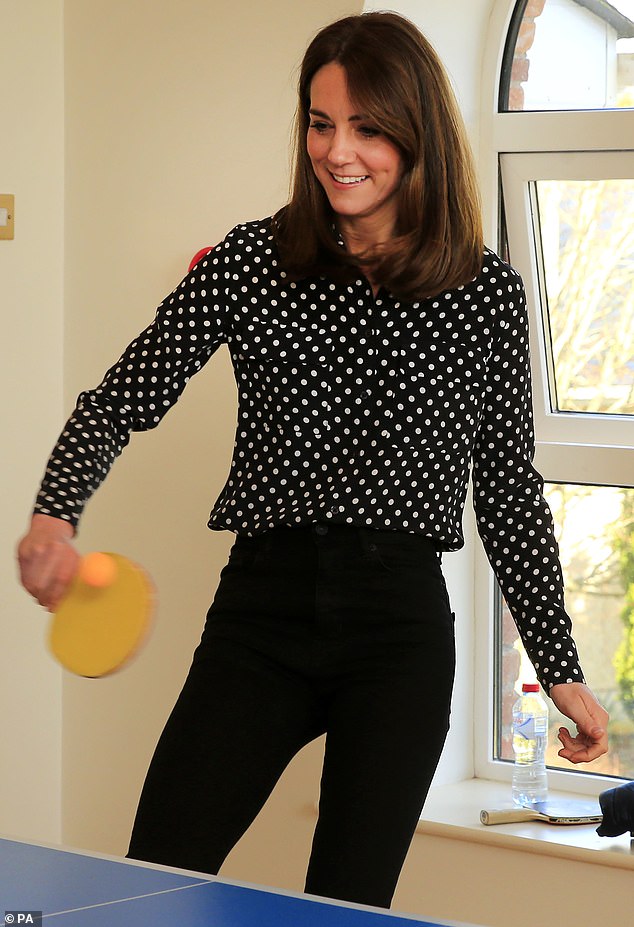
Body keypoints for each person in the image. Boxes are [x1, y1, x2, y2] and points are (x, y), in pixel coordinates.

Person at [17, 11, 608, 911]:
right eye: (321, 121)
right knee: (148, 881)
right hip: (262, 616)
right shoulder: (253, 258)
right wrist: (56, 513)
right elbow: (121, 397)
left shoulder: (484, 292)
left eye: (368, 128)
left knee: (346, 905)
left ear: (416, 137)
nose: (340, 151)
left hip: (398, 634)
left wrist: (560, 667)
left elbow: (509, 486)